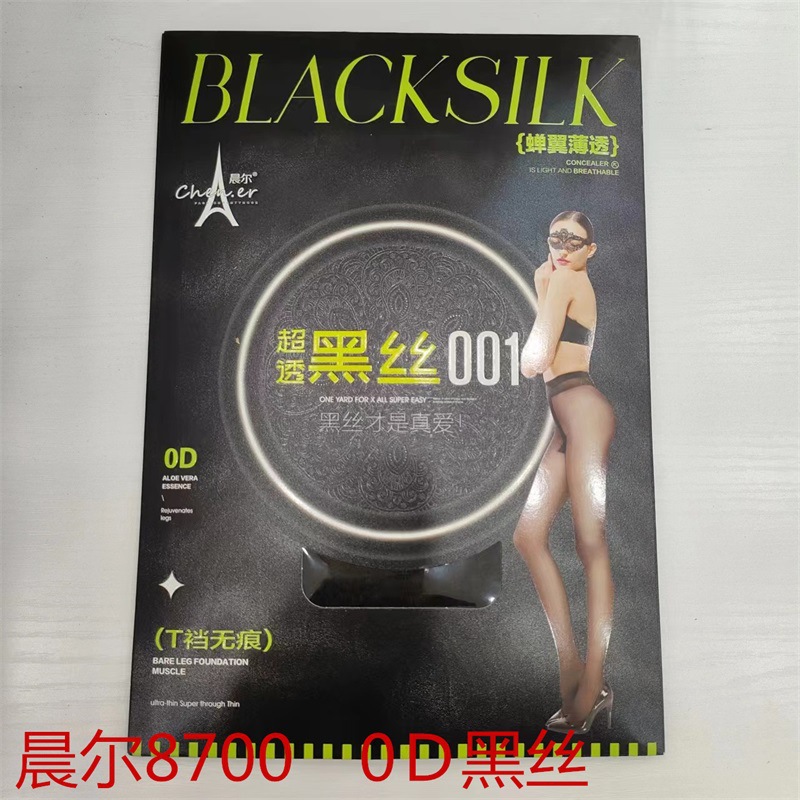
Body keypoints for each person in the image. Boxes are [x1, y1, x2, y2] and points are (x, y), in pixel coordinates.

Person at [514, 211, 615, 734]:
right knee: (528, 536)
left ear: (590, 250)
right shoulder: (557, 280)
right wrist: (542, 283)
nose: (563, 248)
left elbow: (535, 358)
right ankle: (570, 669)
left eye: (574, 241)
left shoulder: (570, 280)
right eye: (556, 238)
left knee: (589, 544)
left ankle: (593, 684)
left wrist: (547, 286)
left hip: (584, 411)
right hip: (565, 417)